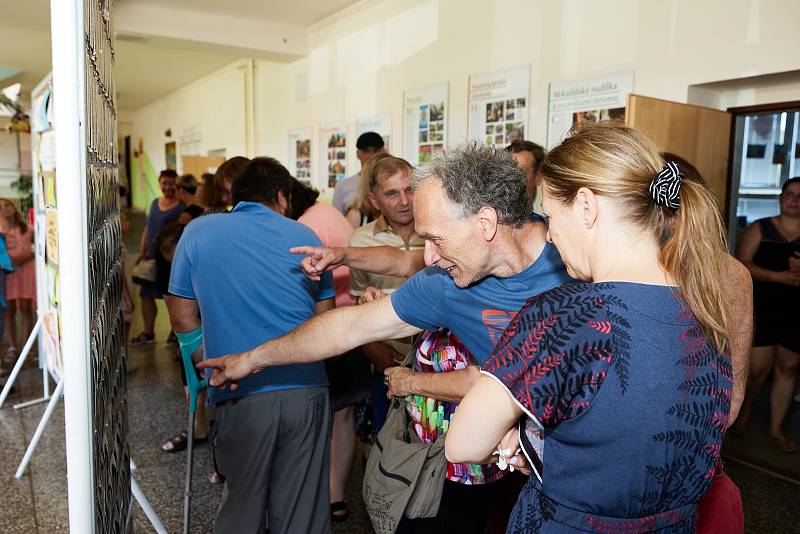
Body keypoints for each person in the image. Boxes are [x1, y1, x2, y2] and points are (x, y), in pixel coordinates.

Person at [198, 143, 573, 533]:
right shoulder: (448, 281)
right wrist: (253, 358)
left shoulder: (575, 260)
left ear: (486, 223)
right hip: (517, 468)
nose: (426, 258)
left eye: (436, 239)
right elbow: (347, 327)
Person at [446, 122, 736, 532]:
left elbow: (464, 444)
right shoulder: (706, 308)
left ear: (585, 206)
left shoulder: (566, 313)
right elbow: (628, 433)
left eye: (549, 215)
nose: (550, 235)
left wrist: (525, 433)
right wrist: (538, 440)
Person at [169, 157, 335, 533]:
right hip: (305, 389)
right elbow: (326, 321)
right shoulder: (306, 237)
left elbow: (181, 317)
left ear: (235, 196)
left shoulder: (197, 232)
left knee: (242, 505)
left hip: (238, 391)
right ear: (282, 195)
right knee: (302, 511)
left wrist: (209, 365)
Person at [289, 178, 370, 523]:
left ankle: (318, 492)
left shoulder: (305, 226)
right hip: (349, 323)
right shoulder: (327, 212)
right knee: (344, 415)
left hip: (331, 328)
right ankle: (337, 495)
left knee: (323, 415)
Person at [347, 154, 423, 432]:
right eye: (392, 193)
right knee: (389, 440)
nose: (404, 201)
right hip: (387, 362)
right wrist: (373, 350)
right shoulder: (360, 241)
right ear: (374, 200)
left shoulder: (438, 232)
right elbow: (358, 302)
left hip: (440, 362)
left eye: (409, 189)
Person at [733, 176, 800, 452]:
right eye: (790, 194)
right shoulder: (761, 228)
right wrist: (778, 276)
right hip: (763, 308)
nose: (794, 200)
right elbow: (741, 265)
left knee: (788, 368)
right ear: (780, 197)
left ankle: (775, 427)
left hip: (796, 313)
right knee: (758, 370)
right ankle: (743, 412)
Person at [131, 169, 184, 345]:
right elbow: (148, 228)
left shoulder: (181, 207)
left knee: (171, 299)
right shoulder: (154, 203)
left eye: (171, 183)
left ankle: (175, 332)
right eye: (164, 183)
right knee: (146, 295)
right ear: (159, 182)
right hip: (151, 257)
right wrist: (142, 251)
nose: (167, 187)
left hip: (169, 260)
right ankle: (148, 332)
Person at [0, 199, 35, 357]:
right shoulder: (2, 233)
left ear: (14, 207)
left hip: (26, 271)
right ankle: (12, 347)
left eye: (7, 205)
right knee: (9, 309)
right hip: (9, 273)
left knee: (26, 308)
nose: (4, 209)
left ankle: (27, 345)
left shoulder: (28, 229)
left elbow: (39, 249)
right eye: (0, 208)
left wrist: (31, 255)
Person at [333, 131, 386, 215]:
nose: (371, 155)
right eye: (366, 151)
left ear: (383, 152)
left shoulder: (392, 182)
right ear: (358, 154)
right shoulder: (342, 187)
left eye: (375, 150)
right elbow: (337, 221)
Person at [506, 140, 545, 209]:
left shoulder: (548, 213)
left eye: (519, 174)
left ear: (538, 177)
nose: (511, 180)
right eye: (507, 173)